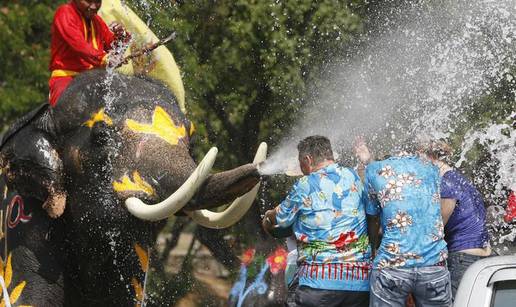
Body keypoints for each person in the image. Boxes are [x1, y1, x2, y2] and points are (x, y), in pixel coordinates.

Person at [262, 135, 371, 307]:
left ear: (308, 159)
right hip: (359, 284)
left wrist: (268, 216)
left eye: (300, 162)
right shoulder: (353, 176)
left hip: (318, 285)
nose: (301, 167)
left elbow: (280, 218)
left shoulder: (305, 184)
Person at [355, 140, 452, 307]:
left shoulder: (375, 169)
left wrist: (372, 249)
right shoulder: (432, 168)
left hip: (392, 264)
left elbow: (372, 217)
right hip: (433, 263)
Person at [420, 140, 491, 298]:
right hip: (482, 254)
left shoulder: (445, 184)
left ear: (429, 157)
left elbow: (437, 229)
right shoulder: (460, 179)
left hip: (463, 257)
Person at [49, 0, 130, 106]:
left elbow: (113, 47)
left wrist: (121, 35)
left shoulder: (97, 21)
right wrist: (105, 59)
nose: (93, 6)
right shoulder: (65, 13)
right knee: (65, 107)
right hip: (67, 78)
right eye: (88, 1)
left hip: (94, 79)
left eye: (97, 1)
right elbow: (80, 46)